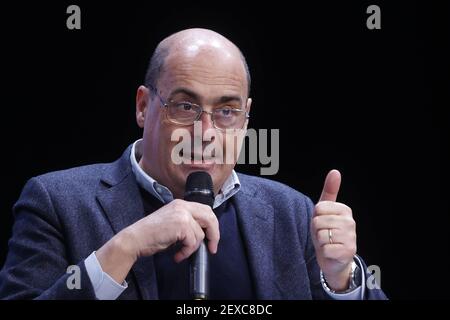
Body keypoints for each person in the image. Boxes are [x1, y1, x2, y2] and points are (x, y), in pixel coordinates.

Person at [0, 28, 386, 300]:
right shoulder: (55, 202)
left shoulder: (293, 213)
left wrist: (342, 281)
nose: (206, 131)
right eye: (185, 106)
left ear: (246, 117)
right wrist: (124, 248)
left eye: (227, 111)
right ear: (142, 106)